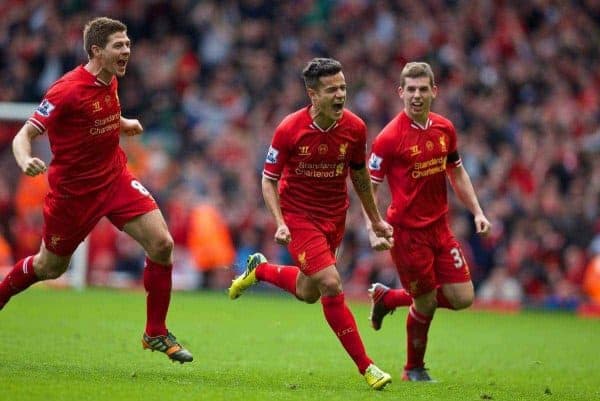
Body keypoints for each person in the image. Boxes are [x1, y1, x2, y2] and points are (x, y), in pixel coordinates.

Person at [0, 17, 192, 364]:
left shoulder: (110, 81)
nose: (127, 50)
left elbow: (98, 112)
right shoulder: (65, 89)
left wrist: (123, 122)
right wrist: (25, 160)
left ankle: (156, 332)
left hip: (115, 178)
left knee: (162, 244)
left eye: (128, 43)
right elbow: (24, 134)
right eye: (119, 45)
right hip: (73, 196)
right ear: (96, 51)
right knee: (49, 268)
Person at [228, 58, 393, 390]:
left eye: (343, 88)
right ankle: (368, 367)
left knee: (307, 292)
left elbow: (360, 175)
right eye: (332, 89)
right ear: (313, 94)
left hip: (335, 216)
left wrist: (375, 219)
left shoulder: (355, 128)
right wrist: (279, 222)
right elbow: (268, 179)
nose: (340, 95)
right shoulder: (290, 128)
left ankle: (259, 271)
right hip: (298, 216)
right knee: (331, 283)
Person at [365, 62, 491, 382]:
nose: (417, 95)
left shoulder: (445, 128)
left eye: (423, 89)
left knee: (464, 298)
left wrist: (477, 211)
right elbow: (370, 186)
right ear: (401, 93)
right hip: (407, 234)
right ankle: (413, 370)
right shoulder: (389, 137)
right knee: (426, 302)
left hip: (440, 228)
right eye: (411, 89)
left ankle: (388, 297)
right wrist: (373, 225)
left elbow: (456, 171)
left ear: (434, 91)